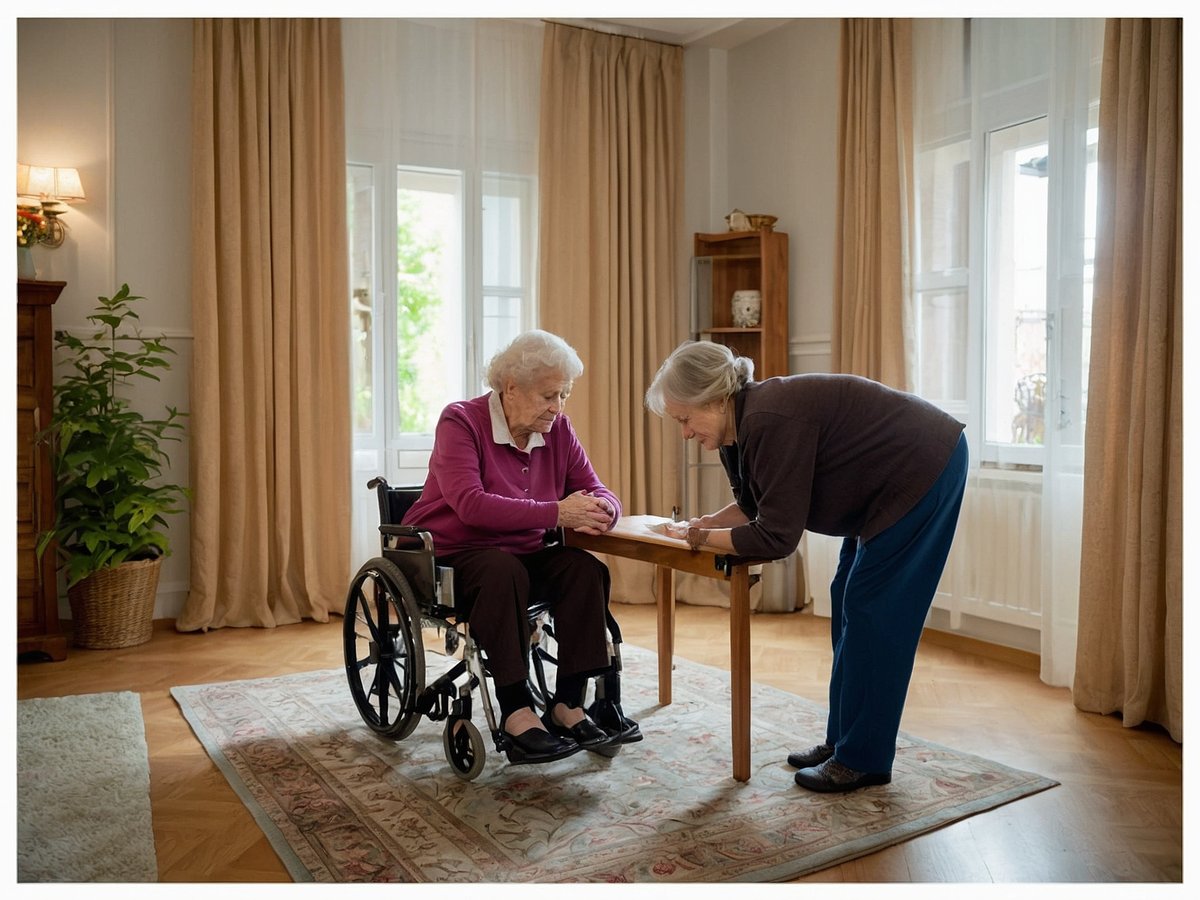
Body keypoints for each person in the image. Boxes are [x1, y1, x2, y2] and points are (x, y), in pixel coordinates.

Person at [645, 341, 968, 793]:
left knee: (875, 613)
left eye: (685, 419)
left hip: (922, 466)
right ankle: (843, 742)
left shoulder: (769, 418)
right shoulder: (736, 428)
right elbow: (756, 502)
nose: (683, 433)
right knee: (847, 598)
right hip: (885, 481)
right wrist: (708, 524)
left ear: (717, 399)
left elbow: (776, 536)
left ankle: (864, 759)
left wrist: (699, 539)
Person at [403, 330, 640, 765]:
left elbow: (596, 489)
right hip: (458, 553)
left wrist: (603, 508)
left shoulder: (558, 429)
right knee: (500, 571)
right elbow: (470, 505)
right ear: (510, 388)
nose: (558, 406)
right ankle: (515, 710)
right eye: (549, 395)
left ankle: (568, 704)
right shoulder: (460, 421)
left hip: (523, 554)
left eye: (564, 394)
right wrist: (557, 513)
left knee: (583, 569)